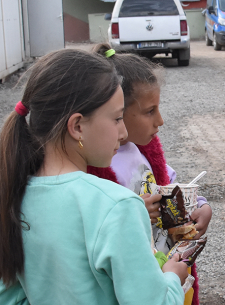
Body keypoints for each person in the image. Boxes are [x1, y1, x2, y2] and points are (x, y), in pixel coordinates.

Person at [0, 49, 188, 304]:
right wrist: (172, 280)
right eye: (117, 118)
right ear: (77, 126)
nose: (123, 133)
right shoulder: (117, 206)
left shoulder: (12, 195)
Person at [87, 44, 212, 305]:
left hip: (166, 274)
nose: (160, 120)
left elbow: (172, 186)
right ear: (118, 110)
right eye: (149, 111)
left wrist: (201, 206)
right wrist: (133, 213)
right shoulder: (96, 165)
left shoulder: (144, 152)